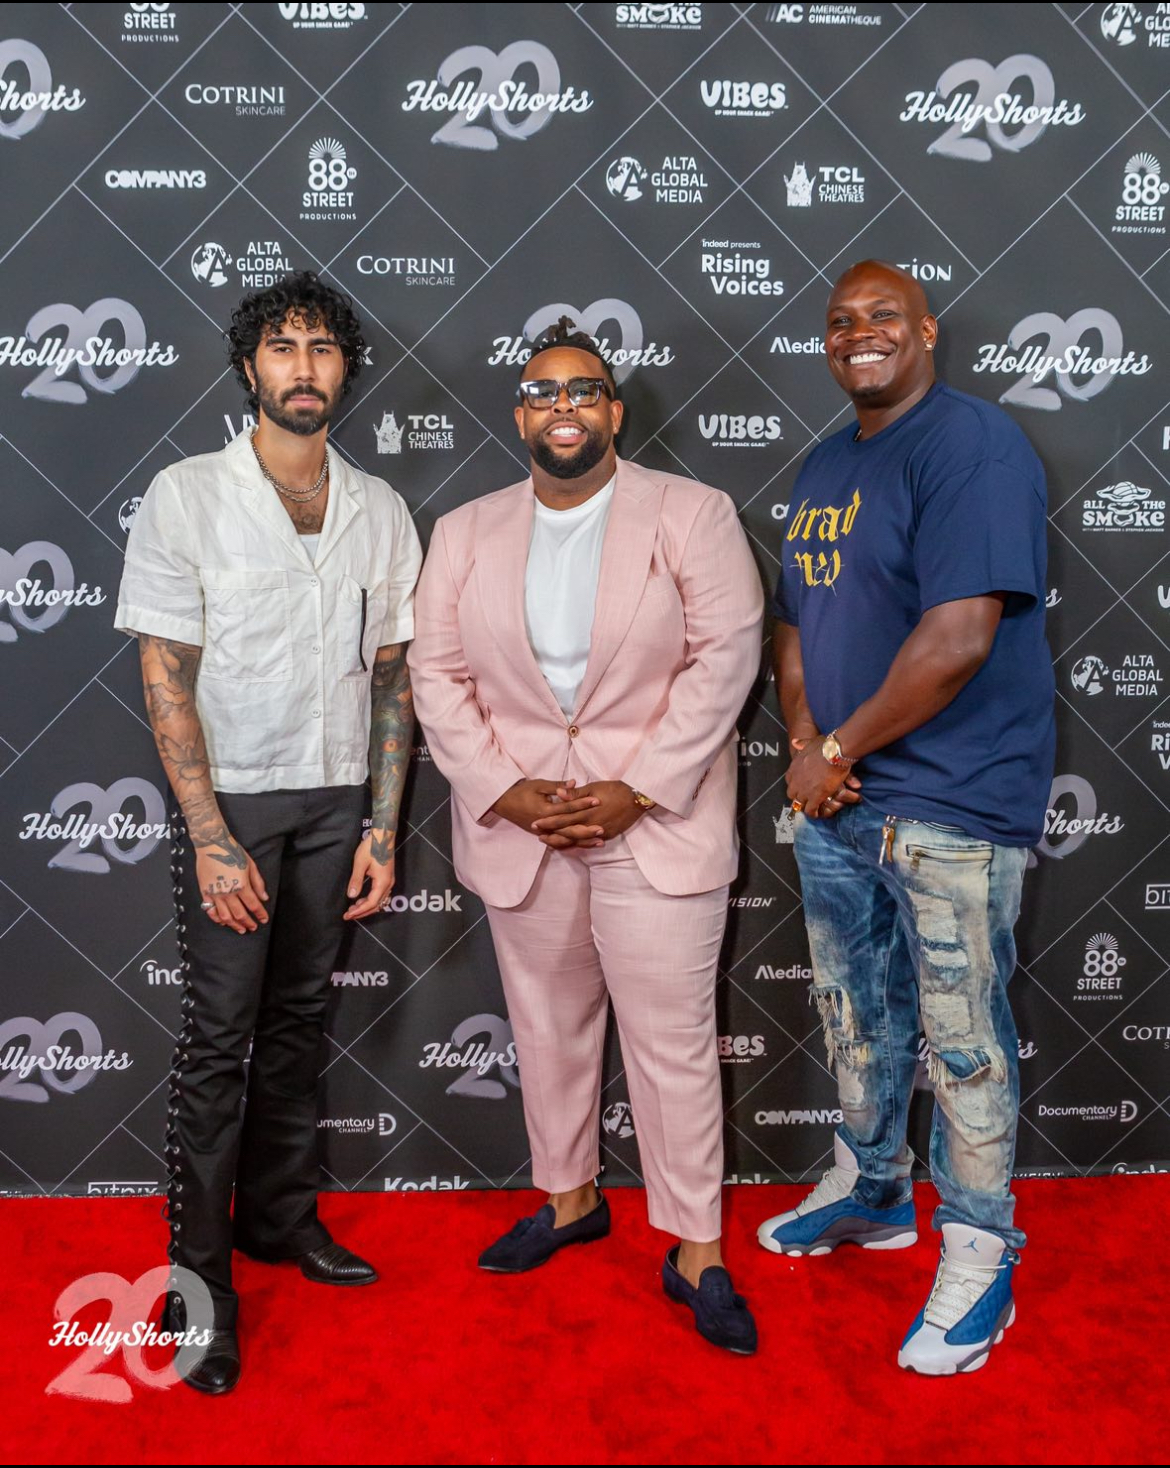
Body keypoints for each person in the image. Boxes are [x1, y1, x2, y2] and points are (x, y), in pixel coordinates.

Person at [407, 316, 764, 1354]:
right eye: (541, 389)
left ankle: (696, 1247)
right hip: (525, 829)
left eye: (583, 388)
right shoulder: (465, 531)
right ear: (520, 411)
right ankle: (568, 1200)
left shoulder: (691, 514)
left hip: (655, 827)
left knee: (671, 1046)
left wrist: (636, 788)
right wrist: (507, 788)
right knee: (548, 1029)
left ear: (613, 409)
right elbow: (439, 676)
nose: (562, 405)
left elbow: (724, 659)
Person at [114, 271, 421, 1394]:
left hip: (339, 798)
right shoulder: (186, 494)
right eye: (283, 347)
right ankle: (197, 1294)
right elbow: (165, 680)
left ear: (347, 369)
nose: (303, 366)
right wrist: (206, 834)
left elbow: (393, 682)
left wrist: (383, 827)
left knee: (299, 1026)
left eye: (323, 348)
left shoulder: (380, 507)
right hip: (233, 805)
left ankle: (280, 1222)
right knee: (219, 1043)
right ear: (250, 367)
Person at [757, 260, 1055, 1376]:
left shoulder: (970, 446)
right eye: (841, 323)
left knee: (964, 1042)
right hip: (840, 799)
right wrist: (805, 751)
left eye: (883, 316)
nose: (860, 334)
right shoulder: (829, 461)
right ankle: (873, 1188)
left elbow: (960, 636)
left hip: (951, 802)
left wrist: (832, 751)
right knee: (856, 1012)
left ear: (925, 330)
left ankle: (980, 1254)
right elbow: (795, 623)